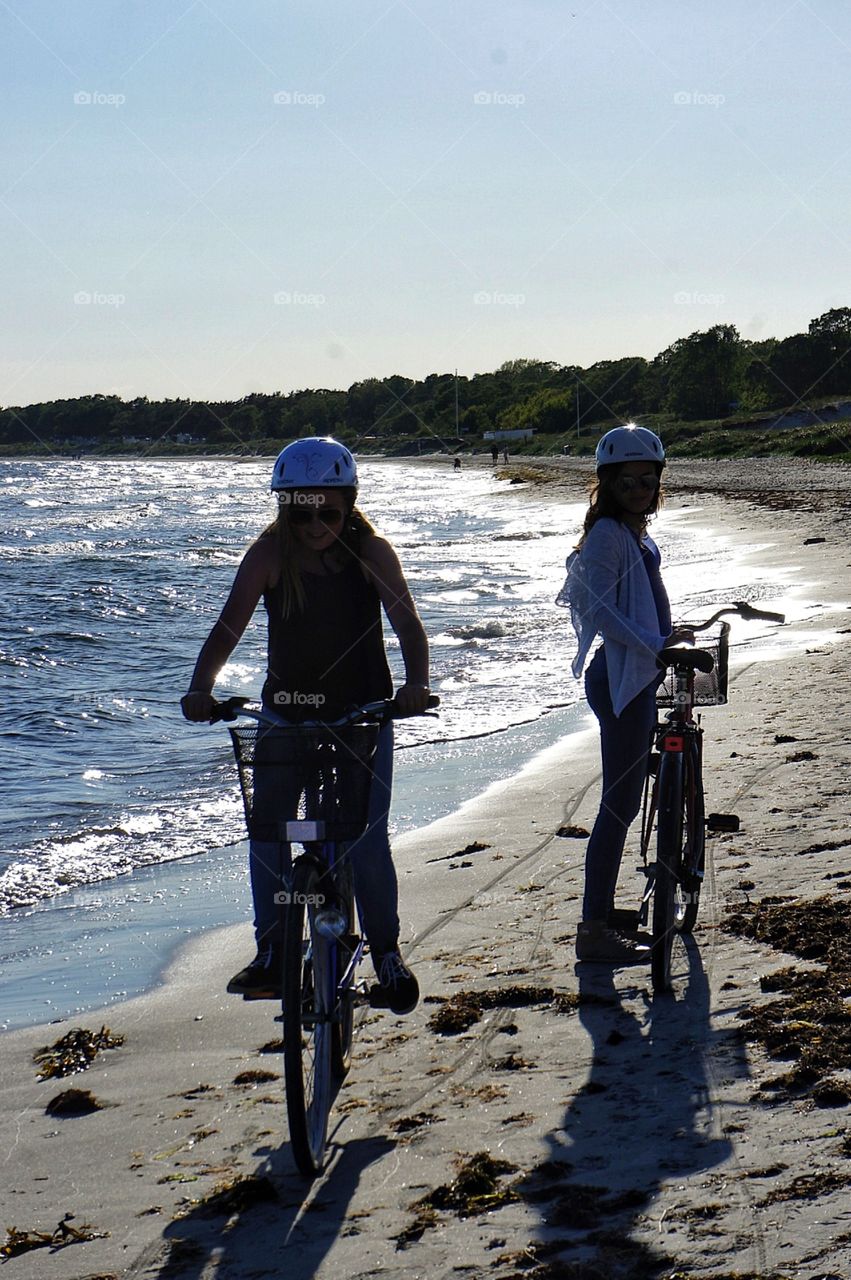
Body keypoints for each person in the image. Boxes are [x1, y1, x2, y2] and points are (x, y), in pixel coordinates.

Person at [181, 437, 431, 1013]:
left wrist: (415, 685)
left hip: (360, 714)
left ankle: (388, 954)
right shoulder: (269, 554)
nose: (315, 522)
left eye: (328, 511)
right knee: (268, 829)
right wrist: (200, 689)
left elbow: (409, 625)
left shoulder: (372, 552)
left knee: (365, 837)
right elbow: (227, 629)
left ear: (349, 503)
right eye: (301, 510)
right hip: (284, 714)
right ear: (283, 508)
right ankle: (272, 950)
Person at [556, 424, 692, 963]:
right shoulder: (609, 534)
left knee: (626, 799)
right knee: (619, 804)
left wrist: (667, 634)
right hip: (620, 677)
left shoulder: (635, 531)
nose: (638, 487)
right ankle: (593, 928)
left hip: (640, 668)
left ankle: (602, 914)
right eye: (626, 480)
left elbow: (637, 602)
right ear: (607, 483)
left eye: (647, 478)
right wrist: (652, 641)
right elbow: (597, 611)